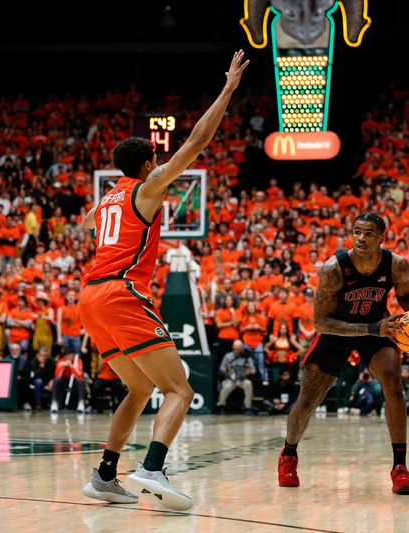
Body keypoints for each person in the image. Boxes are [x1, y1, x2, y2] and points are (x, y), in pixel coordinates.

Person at [79, 50, 248, 510]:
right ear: (149, 161)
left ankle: (105, 475)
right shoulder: (147, 187)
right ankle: (152, 468)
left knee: (138, 388)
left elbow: (87, 223)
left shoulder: (107, 198)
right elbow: (196, 141)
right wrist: (228, 88)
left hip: (89, 297)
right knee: (180, 389)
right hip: (120, 293)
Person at [278, 212, 409, 495]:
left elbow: (405, 296)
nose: (361, 238)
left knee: (393, 380)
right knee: (306, 402)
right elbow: (321, 322)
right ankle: (288, 454)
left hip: (377, 328)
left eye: (368, 233)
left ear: (381, 238)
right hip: (337, 332)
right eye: (356, 231)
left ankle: (400, 467)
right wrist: (371, 329)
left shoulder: (397, 265)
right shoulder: (333, 269)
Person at [216, 340, 256, 415]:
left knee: (248, 384)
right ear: (232, 348)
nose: (237, 351)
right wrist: (227, 369)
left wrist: (249, 371)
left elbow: (253, 370)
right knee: (226, 387)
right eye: (235, 349)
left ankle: (247, 407)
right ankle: (221, 405)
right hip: (230, 379)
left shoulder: (246, 356)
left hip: (242, 379)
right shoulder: (228, 356)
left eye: (239, 349)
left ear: (242, 348)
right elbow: (221, 369)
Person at [51, 349, 85, 413]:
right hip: (64, 381)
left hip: (74, 382)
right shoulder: (61, 361)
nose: (68, 357)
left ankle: (81, 403)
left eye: (70, 355)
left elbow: (79, 375)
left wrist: (71, 366)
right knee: (56, 381)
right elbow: (57, 376)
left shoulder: (78, 361)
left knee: (80, 382)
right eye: (66, 355)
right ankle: (54, 403)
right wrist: (63, 367)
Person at [29, 346, 55, 410]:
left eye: (45, 356)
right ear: (38, 355)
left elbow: (54, 374)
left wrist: (52, 380)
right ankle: (38, 404)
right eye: (42, 355)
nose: (43, 357)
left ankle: (54, 404)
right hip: (36, 381)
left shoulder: (51, 361)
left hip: (47, 381)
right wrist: (41, 367)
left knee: (56, 383)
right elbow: (34, 375)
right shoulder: (33, 362)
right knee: (38, 381)